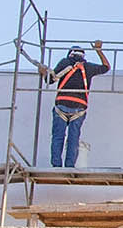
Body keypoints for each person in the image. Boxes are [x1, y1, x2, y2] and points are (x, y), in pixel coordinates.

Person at [45, 41, 109, 169]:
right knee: (73, 139)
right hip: (79, 107)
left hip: (62, 104)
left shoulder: (65, 63)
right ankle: (69, 166)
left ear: (70, 55)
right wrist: (98, 50)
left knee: (58, 136)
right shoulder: (89, 67)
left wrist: (42, 72)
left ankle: (56, 165)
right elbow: (106, 67)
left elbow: (49, 80)